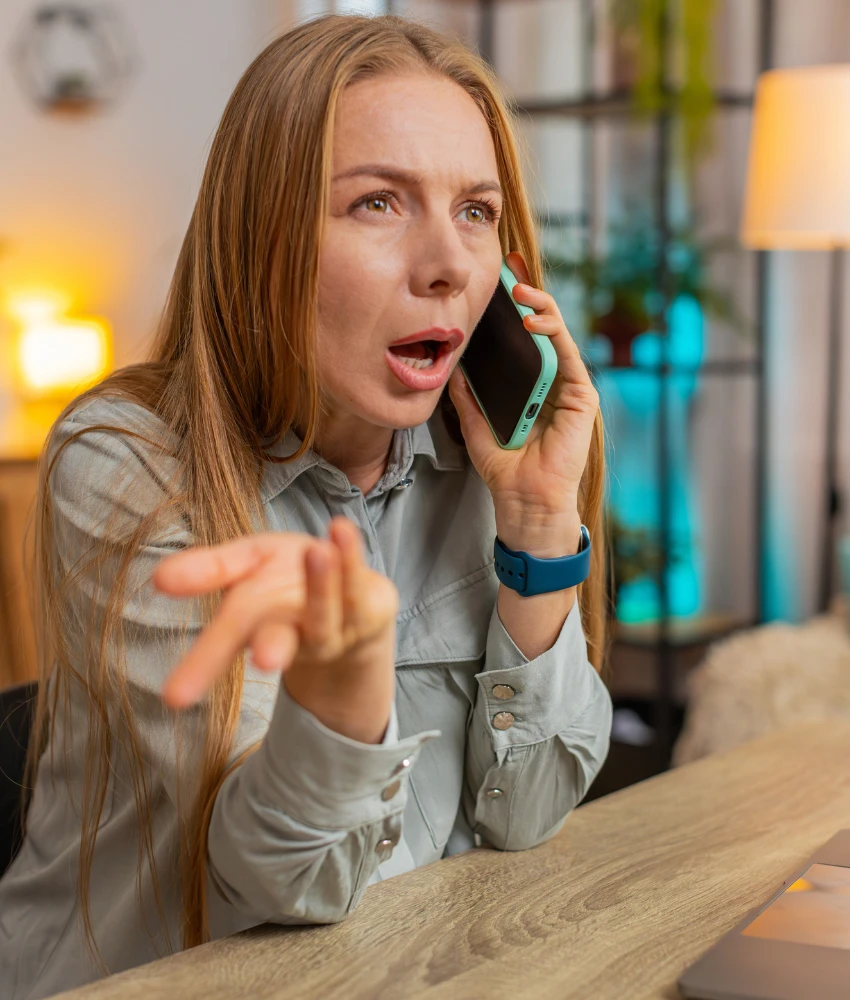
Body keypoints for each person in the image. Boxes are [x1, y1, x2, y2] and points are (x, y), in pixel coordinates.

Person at [0, 13, 612, 998]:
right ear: (263, 236)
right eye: (376, 202)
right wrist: (338, 693)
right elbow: (288, 888)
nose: (450, 265)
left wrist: (538, 533)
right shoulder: (125, 463)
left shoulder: (486, 464)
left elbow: (527, 815)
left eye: (474, 210)